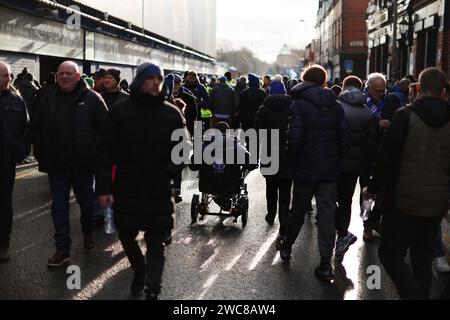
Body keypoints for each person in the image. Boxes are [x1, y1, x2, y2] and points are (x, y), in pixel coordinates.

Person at [96, 62, 188, 300]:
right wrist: (105, 188)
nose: (156, 83)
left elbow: (182, 149)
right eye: (151, 78)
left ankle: (152, 289)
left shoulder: (171, 113)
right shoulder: (119, 111)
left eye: (159, 79)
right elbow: (105, 151)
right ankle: (139, 269)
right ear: (140, 81)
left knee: (156, 243)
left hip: (158, 188)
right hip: (127, 186)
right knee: (126, 236)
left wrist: (167, 171)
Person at [363, 67, 450, 300]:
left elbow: (386, 158)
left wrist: (372, 188)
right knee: (422, 258)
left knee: (391, 254)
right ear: (443, 91)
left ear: (419, 88)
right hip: (436, 201)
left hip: (402, 199)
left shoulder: (405, 116)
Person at [276, 65, 351, 282]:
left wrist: (293, 160)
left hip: (304, 169)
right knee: (327, 215)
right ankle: (326, 263)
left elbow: (294, 138)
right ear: (324, 82)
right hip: (328, 170)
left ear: (304, 80)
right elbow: (345, 139)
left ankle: (287, 246)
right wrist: (334, 156)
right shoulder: (336, 106)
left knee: (298, 210)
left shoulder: (298, 104)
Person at [32, 61, 108, 267]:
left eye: (68, 74)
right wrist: (41, 155)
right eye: (61, 74)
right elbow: (36, 129)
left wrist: (93, 153)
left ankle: (87, 232)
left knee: (86, 205)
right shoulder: (47, 99)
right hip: (57, 167)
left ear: (77, 77)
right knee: (59, 208)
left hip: (83, 167)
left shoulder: (93, 99)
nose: (64, 77)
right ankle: (62, 249)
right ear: (57, 76)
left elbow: (105, 131)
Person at [334, 76, 377, 258]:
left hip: (335, 162)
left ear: (344, 87)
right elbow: (372, 141)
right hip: (356, 165)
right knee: (346, 200)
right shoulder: (368, 112)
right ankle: (343, 234)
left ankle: (337, 232)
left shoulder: (336, 108)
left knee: (328, 199)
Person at [363, 73, 401, 241]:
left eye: (383, 90)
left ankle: (374, 221)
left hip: (385, 154)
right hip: (366, 154)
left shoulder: (390, 102)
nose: (380, 94)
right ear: (369, 88)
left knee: (383, 193)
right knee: (367, 194)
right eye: (377, 91)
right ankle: (366, 226)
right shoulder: (363, 102)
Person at [0, 62, 29, 263]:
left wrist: (19, 153)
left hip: (5, 162)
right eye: (4, 76)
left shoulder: (17, 101)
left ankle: (3, 243)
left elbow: (26, 129)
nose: (8, 79)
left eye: (9, 75)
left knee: (4, 204)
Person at [254, 84, 292, 233]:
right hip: (288, 151)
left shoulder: (263, 109)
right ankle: (284, 219)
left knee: (271, 185)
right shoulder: (292, 107)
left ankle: (271, 214)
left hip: (269, 150)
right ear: (284, 92)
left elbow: (257, 132)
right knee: (285, 187)